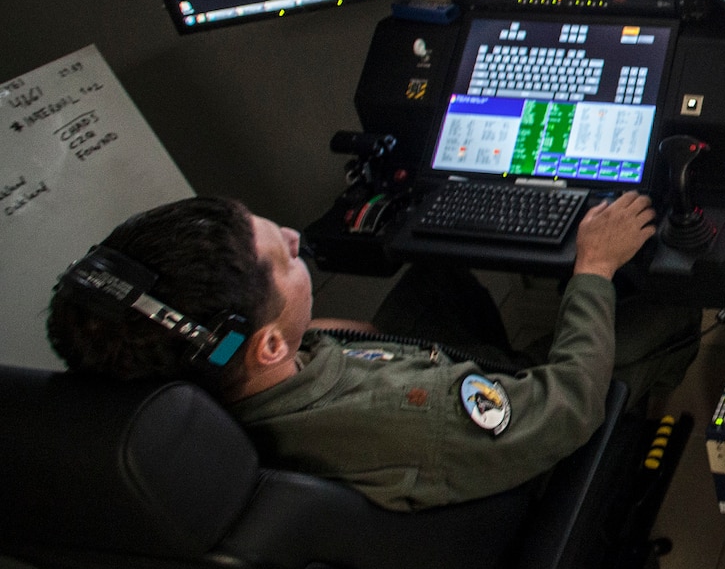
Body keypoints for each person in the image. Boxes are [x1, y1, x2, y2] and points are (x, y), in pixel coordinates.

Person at [46, 192, 661, 511]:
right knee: (668, 319)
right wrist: (594, 266)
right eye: (285, 258)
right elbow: (570, 403)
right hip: (502, 427)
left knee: (433, 280)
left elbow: (316, 341)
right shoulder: (424, 411)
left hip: (385, 388)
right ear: (267, 346)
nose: (294, 237)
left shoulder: (200, 381)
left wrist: (312, 337)